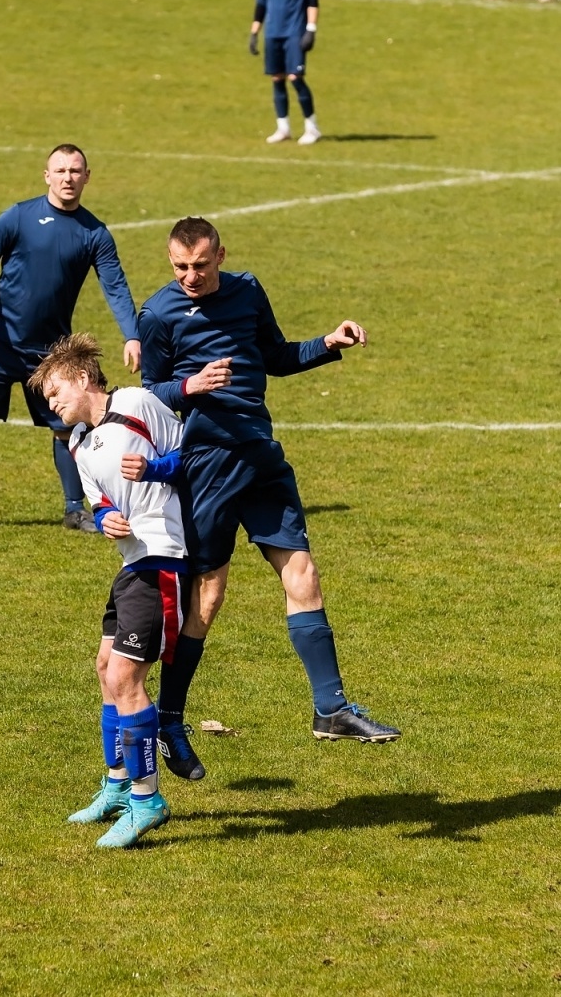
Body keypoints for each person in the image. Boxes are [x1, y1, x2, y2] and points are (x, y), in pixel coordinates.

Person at [134, 217, 402, 782]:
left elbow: (275, 355)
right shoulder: (158, 314)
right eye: (180, 267)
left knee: (302, 573)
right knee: (207, 601)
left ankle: (330, 709)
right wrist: (190, 387)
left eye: (201, 265)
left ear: (221, 255)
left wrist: (329, 343)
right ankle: (168, 718)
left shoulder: (247, 290)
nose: (190, 276)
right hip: (206, 468)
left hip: (260, 458)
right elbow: (145, 396)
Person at [0, 145, 142, 532]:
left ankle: (75, 508)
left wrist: (132, 335)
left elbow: (115, 286)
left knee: (65, 427)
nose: (67, 177)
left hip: (51, 353)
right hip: (1, 342)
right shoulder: (20, 217)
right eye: (60, 170)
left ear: (87, 177)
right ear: (47, 176)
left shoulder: (95, 233)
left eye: (76, 171)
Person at [34, 334, 184, 848]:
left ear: (81, 378)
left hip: (163, 555)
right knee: (104, 667)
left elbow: (193, 455)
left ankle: (148, 800)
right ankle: (119, 785)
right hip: (131, 563)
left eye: (55, 393)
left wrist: (155, 469)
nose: (52, 405)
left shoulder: (137, 404)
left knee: (125, 675)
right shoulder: (76, 443)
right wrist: (106, 519)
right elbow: (98, 501)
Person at [249, 0, 321, 146]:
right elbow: (261, 0)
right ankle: (283, 127)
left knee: (295, 78)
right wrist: (254, 32)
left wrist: (310, 29)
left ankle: (312, 127)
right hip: (273, 31)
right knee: (277, 78)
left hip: (294, 31)